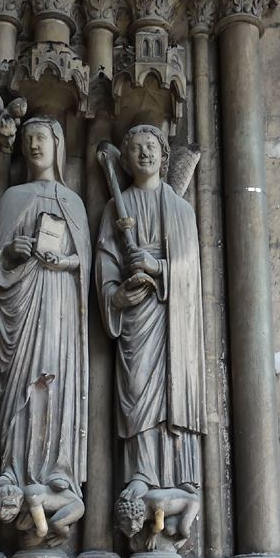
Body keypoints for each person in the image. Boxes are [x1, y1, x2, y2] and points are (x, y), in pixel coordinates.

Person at [95, 123, 207, 506]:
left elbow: (190, 270)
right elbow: (106, 262)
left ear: (164, 155)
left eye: (151, 147)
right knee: (137, 386)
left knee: (172, 390)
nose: (144, 153)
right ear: (124, 160)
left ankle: (177, 475)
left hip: (172, 317)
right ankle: (141, 473)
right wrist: (118, 294)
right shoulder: (116, 206)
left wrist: (157, 266)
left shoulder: (181, 209)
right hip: (136, 317)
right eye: (136, 148)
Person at [0, 117, 91, 511]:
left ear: (57, 144)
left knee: (57, 380)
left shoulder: (74, 203)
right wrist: (14, 251)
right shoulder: (13, 197)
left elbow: (84, 264)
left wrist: (65, 262)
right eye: (28, 138)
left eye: (42, 137)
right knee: (22, 383)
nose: (34, 145)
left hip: (61, 305)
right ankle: (12, 467)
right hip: (23, 303)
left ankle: (58, 469)